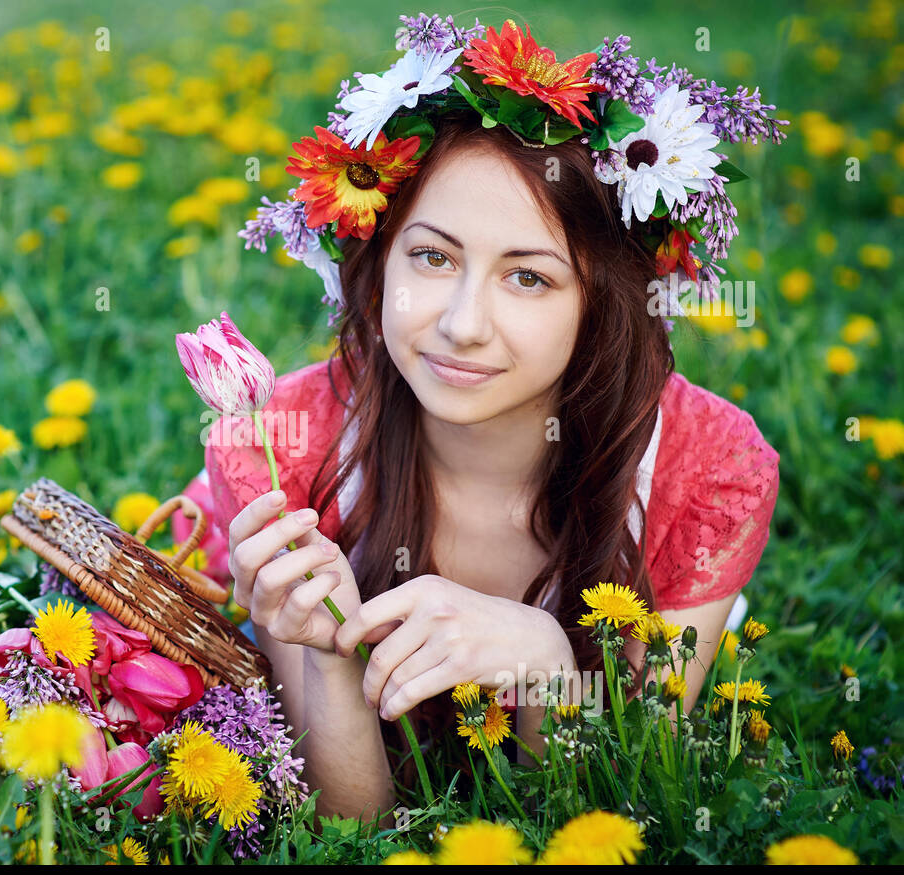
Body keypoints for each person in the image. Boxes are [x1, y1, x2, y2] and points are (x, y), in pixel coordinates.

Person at [180, 16, 785, 823]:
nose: (464, 324)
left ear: (604, 302)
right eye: (432, 257)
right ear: (379, 257)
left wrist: (550, 668)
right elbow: (347, 831)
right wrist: (323, 660)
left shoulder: (703, 472)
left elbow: (618, 811)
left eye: (528, 278)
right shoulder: (283, 450)